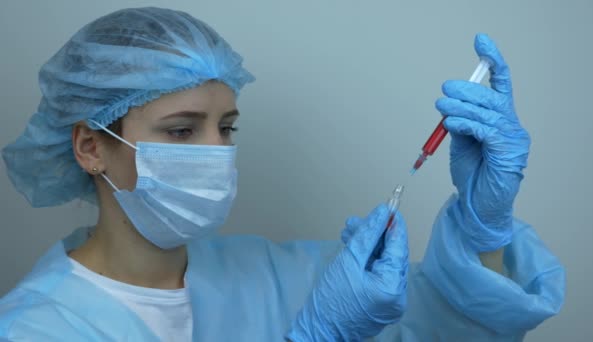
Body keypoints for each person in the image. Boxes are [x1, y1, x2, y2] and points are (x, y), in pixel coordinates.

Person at [0, 7, 564, 341]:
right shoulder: (36, 327)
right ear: (91, 147)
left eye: (227, 128)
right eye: (181, 131)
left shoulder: (278, 275)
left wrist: (485, 224)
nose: (215, 152)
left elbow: (451, 328)